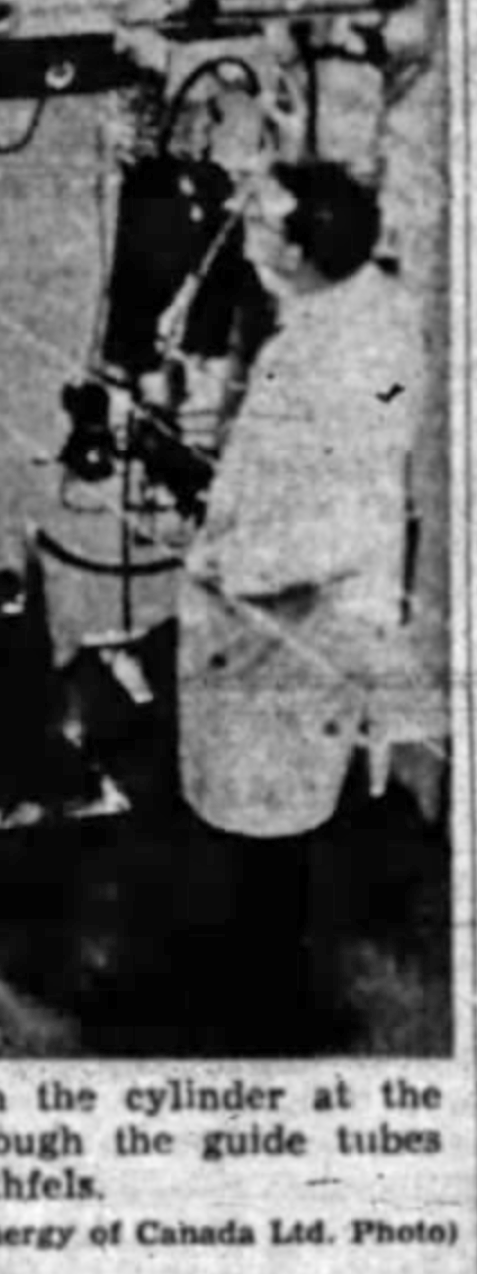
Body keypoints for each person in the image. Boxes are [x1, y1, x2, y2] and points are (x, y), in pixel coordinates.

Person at [172, 159, 429, 1037]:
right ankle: (254, 988)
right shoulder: (349, 317)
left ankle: (265, 1017)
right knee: (257, 809)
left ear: (296, 250)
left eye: (261, 223)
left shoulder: (352, 351)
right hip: (274, 607)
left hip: (295, 612)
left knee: (268, 822)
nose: (245, 231)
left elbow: (340, 518)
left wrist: (233, 569)